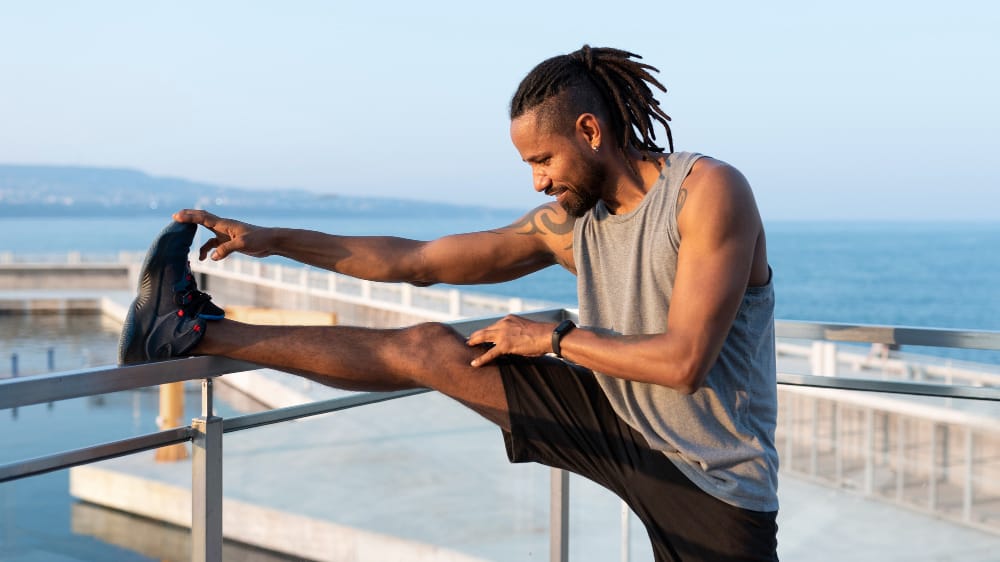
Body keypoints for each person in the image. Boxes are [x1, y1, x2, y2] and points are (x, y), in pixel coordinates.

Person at [120, 45, 779, 561]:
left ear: (590, 130)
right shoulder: (569, 224)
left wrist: (547, 339)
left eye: (544, 158)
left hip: (713, 481)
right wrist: (276, 239)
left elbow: (685, 361)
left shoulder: (707, 194)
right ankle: (190, 331)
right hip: (617, 418)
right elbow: (417, 260)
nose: (538, 179)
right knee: (425, 347)